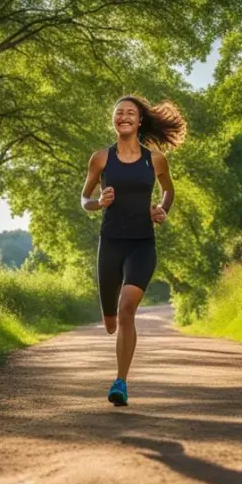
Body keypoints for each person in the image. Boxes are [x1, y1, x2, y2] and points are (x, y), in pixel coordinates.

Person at [80, 94, 186, 406]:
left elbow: (168, 189)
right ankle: (113, 331)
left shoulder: (154, 160)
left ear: (139, 121)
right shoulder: (101, 159)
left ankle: (121, 382)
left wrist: (162, 210)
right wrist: (98, 203)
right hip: (110, 244)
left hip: (142, 244)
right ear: (113, 120)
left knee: (128, 309)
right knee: (112, 323)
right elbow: (84, 198)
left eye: (130, 113)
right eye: (119, 113)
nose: (124, 116)